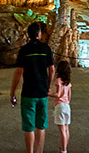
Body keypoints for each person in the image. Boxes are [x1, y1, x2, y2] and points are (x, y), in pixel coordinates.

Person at [10, 22, 55, 153]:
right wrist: (48, 86)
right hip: (42, 92)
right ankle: (39, 151)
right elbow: (52, 70)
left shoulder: (24, 50)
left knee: (29, 127)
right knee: (41, 126)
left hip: (28, 92)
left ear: (28, 35)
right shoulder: (46, 48)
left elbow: (18, 73)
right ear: (39, 34)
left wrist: (12, 92)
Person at [49, 60, 72, 153]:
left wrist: (48, 94)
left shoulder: (58, 80)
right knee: (66, 129)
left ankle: (63, 150)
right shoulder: (68, 82)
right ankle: (64, 148)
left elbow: (58, 94)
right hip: (67, 106)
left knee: (62, 130)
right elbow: (69, 96)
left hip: (60, 105)